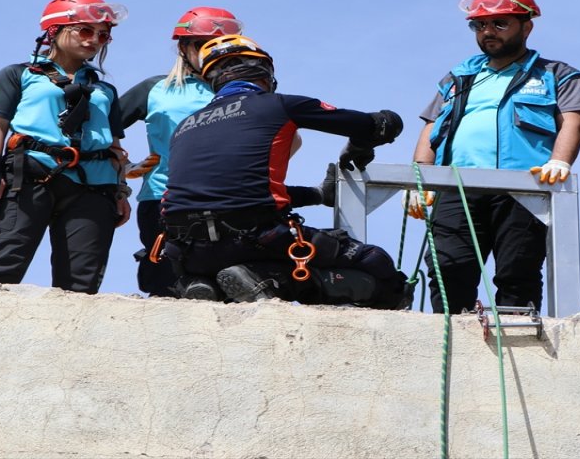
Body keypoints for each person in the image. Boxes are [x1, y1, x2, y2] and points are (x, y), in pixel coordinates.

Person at [152, 34, 410, 307]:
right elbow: (382, 124)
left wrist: (317, 195)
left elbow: (230, 193)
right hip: (254, 239)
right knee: (376, 264)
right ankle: (268, 277)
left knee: (236, 245)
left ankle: (207, 285)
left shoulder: (185, 127)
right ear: (264, 73)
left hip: (188, 252)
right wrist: (358, 146)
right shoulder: (279, 105)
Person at [409, 0, 580, 313]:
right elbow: (431, 127)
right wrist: (420, 178)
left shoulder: (556, 74)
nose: (488, 32)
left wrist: (560, 161)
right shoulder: (459, 78)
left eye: (499, 23)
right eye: (479, 25)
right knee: (447, 267)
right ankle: (453, 334)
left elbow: (574, 119)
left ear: (527, 27)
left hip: (522, 186)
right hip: (457, 186)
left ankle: (516, 344)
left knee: (517, 271)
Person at [0, 0, 132, 294]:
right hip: (30, 176)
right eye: (85, 30)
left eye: (103, 34)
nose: (94, 40)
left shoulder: (104, 89)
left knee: (81, 282)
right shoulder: (19, 75)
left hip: (94, 185)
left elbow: (113, 145)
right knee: (3, 263)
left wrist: (121, 191)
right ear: (54, 31)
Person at [116, 7, 245, 297]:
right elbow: (100, 129)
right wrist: (124, 167)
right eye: (203, 45)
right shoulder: (156, 88)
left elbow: (281, 137)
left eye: (223, 45)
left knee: (228, 288)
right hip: (163, 199)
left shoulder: (243, 90)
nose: (212, 52)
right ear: (183, 47)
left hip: (230, 201)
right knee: (167, 285)